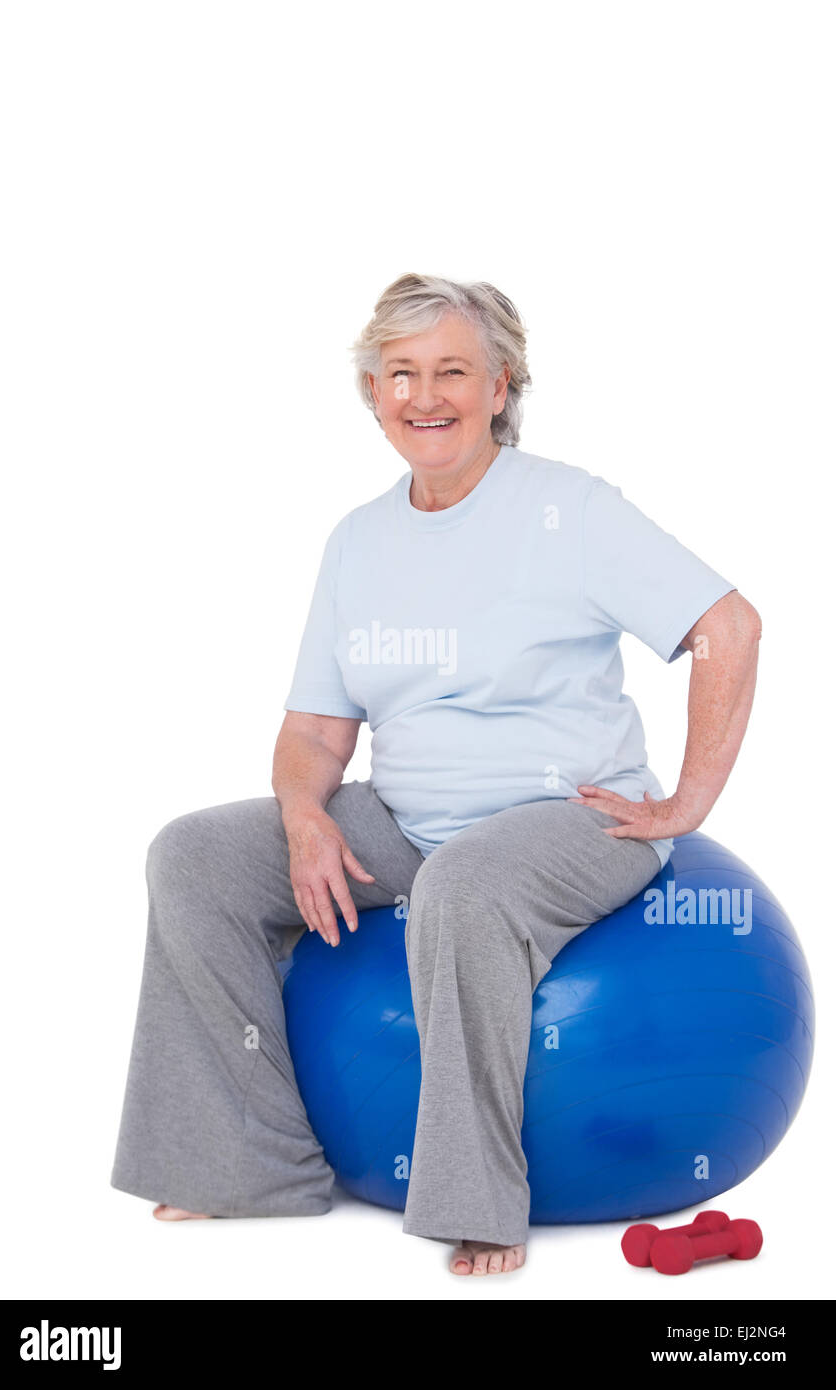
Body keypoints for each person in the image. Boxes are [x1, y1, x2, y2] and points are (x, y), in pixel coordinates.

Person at [110, 272, 761, 1277]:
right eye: (400, 373)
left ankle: (479, 1202)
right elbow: (315, 734)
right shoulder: (357, 540)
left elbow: (726, 626)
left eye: (451, 370)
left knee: (465, 882)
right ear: (373, 394)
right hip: (407, 822)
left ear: (500, 385)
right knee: (191, 858)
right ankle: (251, 1163)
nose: (425, 395)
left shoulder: (569, 509)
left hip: (566, 823)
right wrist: (302, 813)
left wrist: (687, 799)